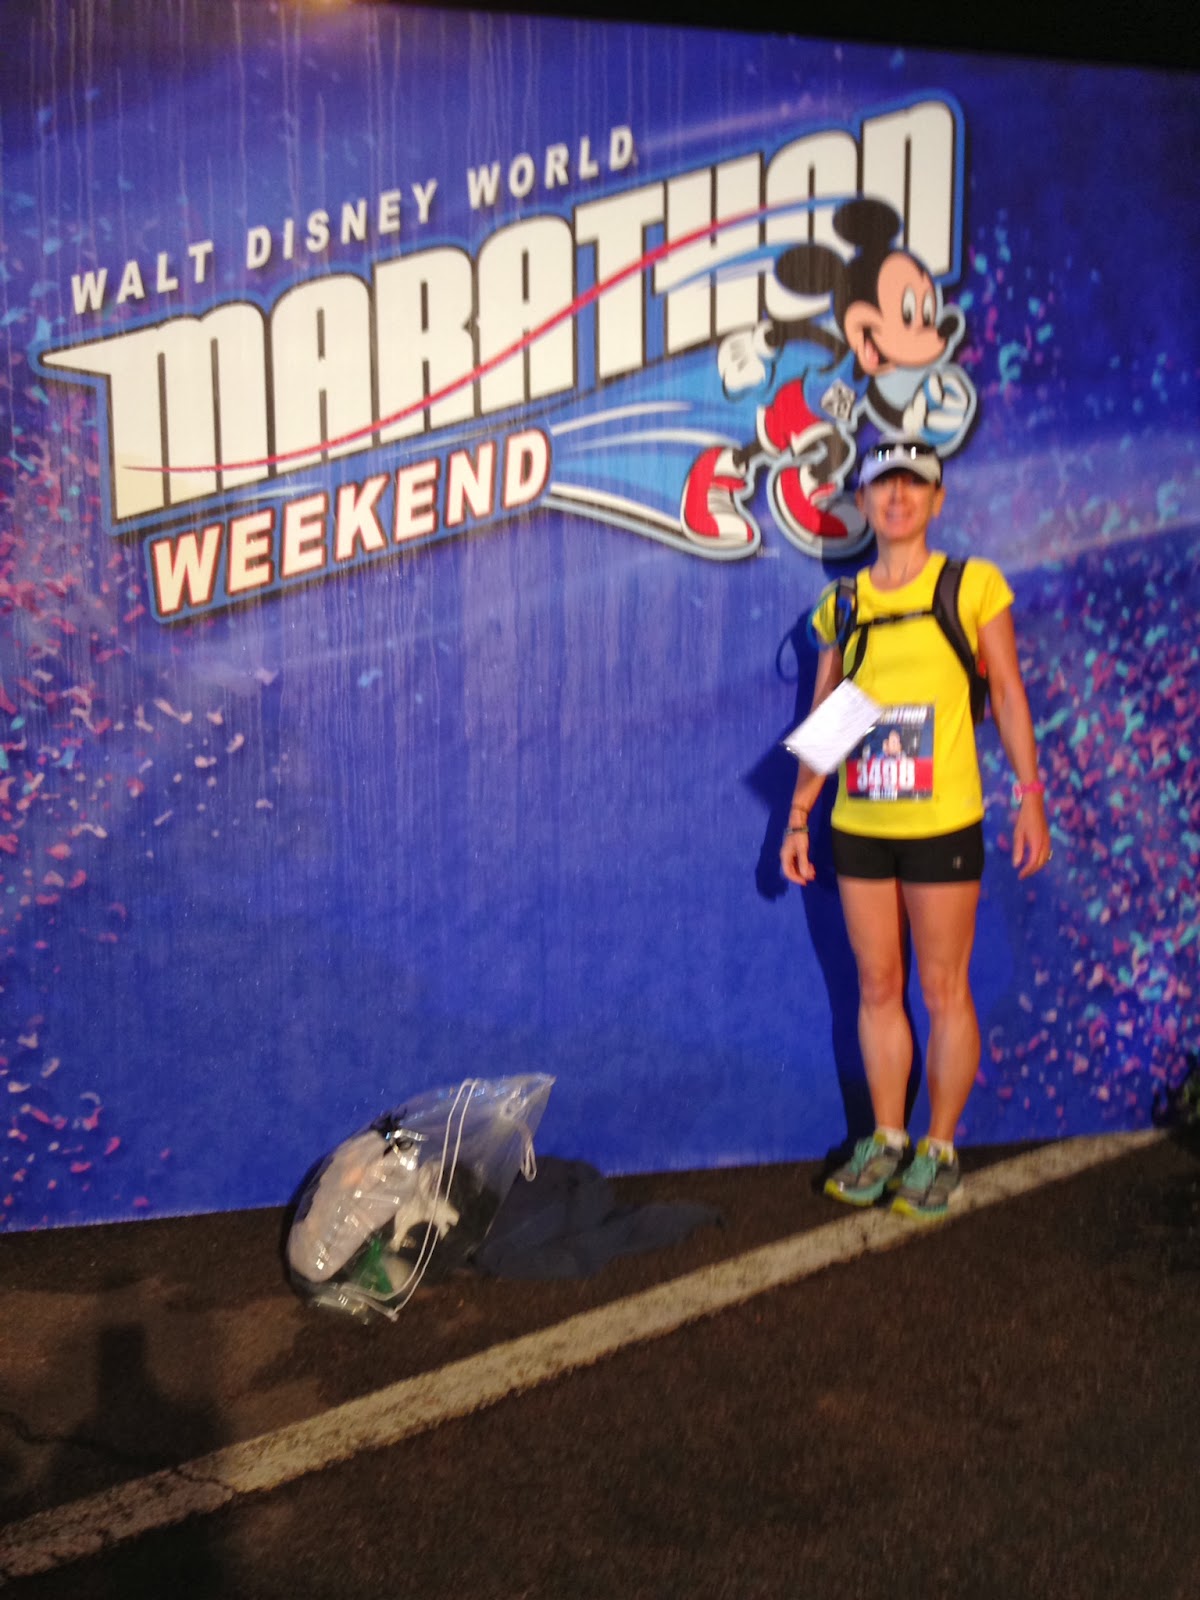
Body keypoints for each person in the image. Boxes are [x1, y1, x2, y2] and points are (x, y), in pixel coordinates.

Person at [781, 436, 1051, 1221]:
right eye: (883, 485)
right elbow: (829, 716)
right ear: (864, 503)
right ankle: (889, 1137)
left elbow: (1008, 693)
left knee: (943, 987)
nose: (897, 497)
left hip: (943, 826)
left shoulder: (973, 585)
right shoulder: (841, 605)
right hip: (860, 825)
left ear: (937, 500)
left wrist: (1031, 794)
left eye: (913, 484)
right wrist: (798, 815)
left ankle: (940, 1146)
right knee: (875, 986)